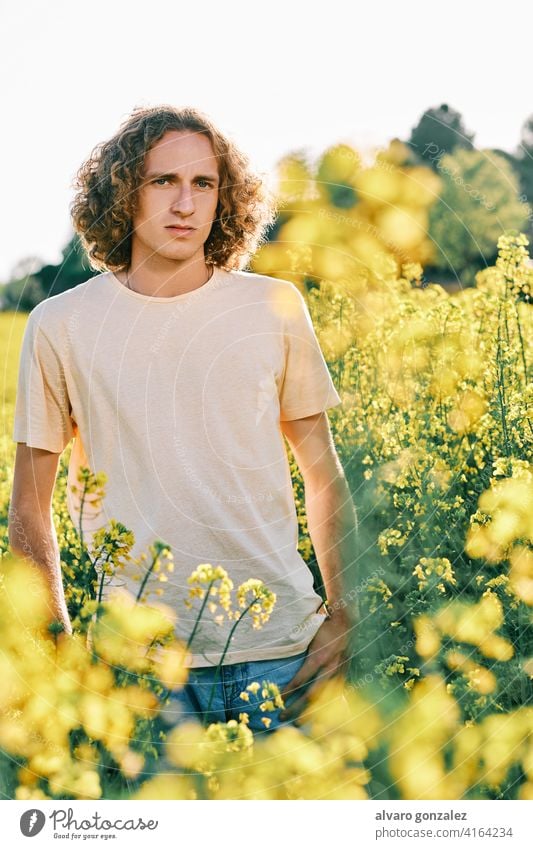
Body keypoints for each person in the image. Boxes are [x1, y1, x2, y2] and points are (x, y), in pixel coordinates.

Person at [8, 105, 357, 735]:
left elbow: (324, 475)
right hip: (139, 669)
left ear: (225, 199)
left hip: (283, 652)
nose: (185, 204)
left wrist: (344, 615)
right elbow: (30, 507)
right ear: (122, 192)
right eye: (162, 181)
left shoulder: (274, 306)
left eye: (204, 184)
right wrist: (56, 644)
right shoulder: (60, 325)